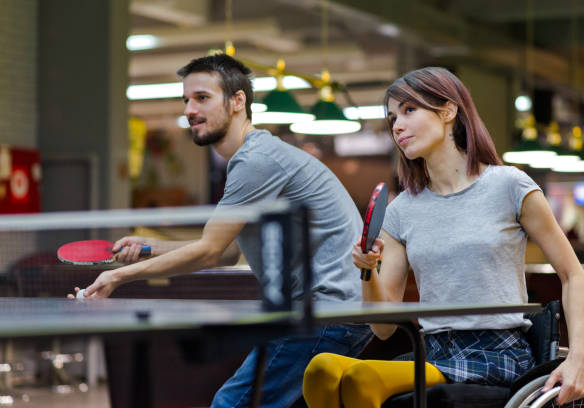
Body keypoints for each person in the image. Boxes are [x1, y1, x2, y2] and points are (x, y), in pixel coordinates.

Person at [70, 53, 372, 408]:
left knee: (232, 403)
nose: (190, 110)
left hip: (325, 313)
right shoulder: (258, 156)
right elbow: (227, 252)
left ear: (238, 101)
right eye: (185, 100)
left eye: (202, 98)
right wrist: (148, 246)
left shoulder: (255, 161)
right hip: (342, 313)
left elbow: (210, 251)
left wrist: (117, 277)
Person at [302, 67, 584, 407]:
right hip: (431, 352)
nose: (397, 125)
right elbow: (382, 328)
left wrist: (578, 360)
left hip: (496, 354)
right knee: (319, 369)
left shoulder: (510, 185)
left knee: (361, 377)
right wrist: (368, 270)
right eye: (393, 116)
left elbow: (573, 275)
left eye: (410, 110)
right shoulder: (401, 211)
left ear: (448, 111)